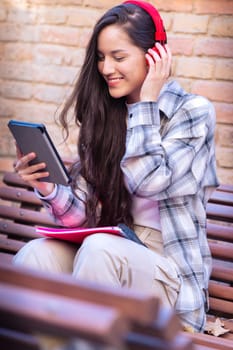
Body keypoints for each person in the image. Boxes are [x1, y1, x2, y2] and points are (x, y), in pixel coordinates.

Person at [13, 0, 219, 333]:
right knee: (36, 255)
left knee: (100, 249)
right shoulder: (109, 115)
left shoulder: (193, 113)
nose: (106, 68)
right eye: (101, 57)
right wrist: (47, 187)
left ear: (155, 56)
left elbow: (149, 181)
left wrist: (147, 104)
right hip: (107, 251)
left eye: (119, 57)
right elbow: (81, 216)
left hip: (169, 280)